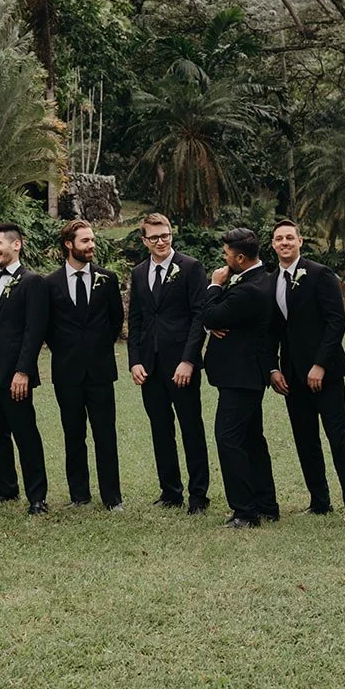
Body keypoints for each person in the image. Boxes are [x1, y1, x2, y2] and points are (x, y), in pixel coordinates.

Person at [268, 218, 345, 526]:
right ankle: (320, 501)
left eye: (289, 238)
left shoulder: (320, 274)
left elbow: (336, 321)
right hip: (292, 376)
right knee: (305, 439)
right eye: (278, 239)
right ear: (273, 245)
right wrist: (273, 367)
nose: (284, 242)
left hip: (327, 373)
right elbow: (270, 329)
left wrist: (320, 365)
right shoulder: (271, 280)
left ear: (299, 242)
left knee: (339, 439)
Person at [127, 212, 210, 512]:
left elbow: (199, 316)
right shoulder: (138, 273)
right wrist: (134, 361)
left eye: (165, 235)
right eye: (154, 237)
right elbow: (135, 319)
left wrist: (189, 360)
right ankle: (170, 491)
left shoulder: (190, 267)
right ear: (144, 240)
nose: (161, 241)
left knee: (191, 428)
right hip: (149, 366)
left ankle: (198, 495)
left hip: (181, 364)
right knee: (160, 428)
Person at [0, 223, 50, 514]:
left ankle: (37, 497)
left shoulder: (32, 282)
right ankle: (6, 488)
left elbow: (34, 331)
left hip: (16, 373)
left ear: (16, 245)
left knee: (25, 433)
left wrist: (24, 371)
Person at [44, 219, 124, 510]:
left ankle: (112, 498)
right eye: (85, 241)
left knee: (106, 434)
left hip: (101, 371)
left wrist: (97, 347)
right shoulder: (49, 283)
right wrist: (69, 351)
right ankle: (79, 495)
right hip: (66, 372)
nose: (92, 246)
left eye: (92, 240)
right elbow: (47, 327)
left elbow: (116, 321)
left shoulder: (108, 279)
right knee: (73, 435)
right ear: (69, 244)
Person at [203, 227, 279, 528]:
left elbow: (209, 315)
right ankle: (266, 505)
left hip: (240, 376)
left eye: (227, 255)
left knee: (228, 438)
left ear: (241, 257)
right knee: (251, 440)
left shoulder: (249, 288)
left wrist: (214, 286)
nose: (224, 259)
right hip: (247, 374)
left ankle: (245, 512)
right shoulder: (262, 279)